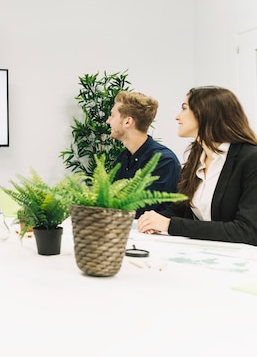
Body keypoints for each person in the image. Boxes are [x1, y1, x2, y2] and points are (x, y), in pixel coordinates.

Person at [137, 86, 257, 246]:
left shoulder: (250, 159)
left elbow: (246, 231)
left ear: (205, 113)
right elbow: (180, 208)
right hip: (205, 253)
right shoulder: (196, 157)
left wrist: (170, 225)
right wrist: (154, 221)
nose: (177, 117)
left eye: (184, 108)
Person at [106, 90, 181, 218]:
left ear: (128, 122)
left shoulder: (164, 160)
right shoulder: (123, 158)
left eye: (112, 116)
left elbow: (138, 209)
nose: (108, 121)